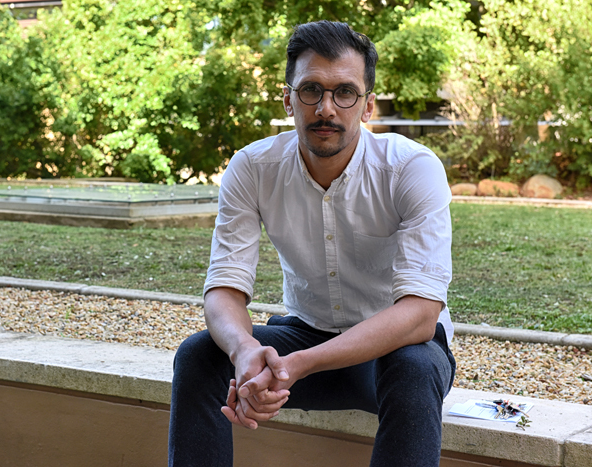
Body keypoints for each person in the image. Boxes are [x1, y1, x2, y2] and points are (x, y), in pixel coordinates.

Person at [168, 20, 456, 467]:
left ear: (367, 106)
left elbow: (419, 316)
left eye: (345, 92)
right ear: (288, 99)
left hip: (391, 353)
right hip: (303, 334)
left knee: (416, 369)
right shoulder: (252, 168)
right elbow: (223, 287)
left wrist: (299, 364)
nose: (326, 108)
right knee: (199, 354)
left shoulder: (411, 169)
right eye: (310, 90)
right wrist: (245, 350)